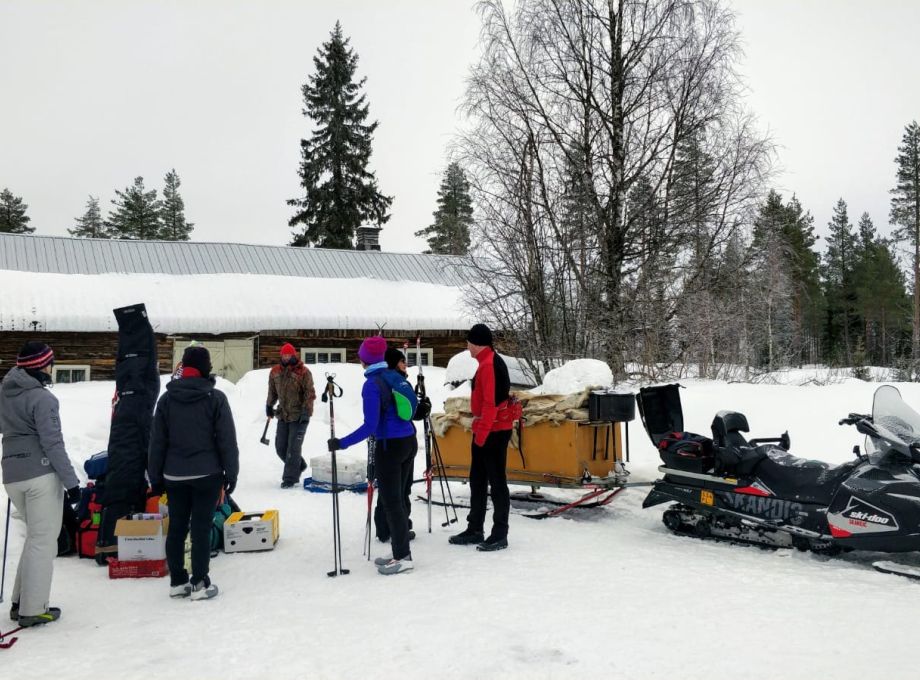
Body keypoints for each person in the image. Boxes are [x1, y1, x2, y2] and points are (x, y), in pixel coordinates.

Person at [148, 345, 239, 601]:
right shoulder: (215, 398)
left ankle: (177, 582)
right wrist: (231, 473)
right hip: (207, 474)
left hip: (174, 476)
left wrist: (155, 477)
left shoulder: (166, 400)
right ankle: (199, 582)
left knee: (177, 526)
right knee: (200, 527)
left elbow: (157, 443)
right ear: (204, 368)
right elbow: (226, 441)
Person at [0, 342, 80, 627]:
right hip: (40, 474)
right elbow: (52, 442)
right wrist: (72, 483)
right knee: (44, 542)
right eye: (50, 363)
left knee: (34, 538)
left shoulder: (5, 391)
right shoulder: (43, 399)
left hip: (12, 475)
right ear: (42, 366)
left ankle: (20, 602)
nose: (51, 368)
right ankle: (33, 609)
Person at [328, 337, 416, 575]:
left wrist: (341, 443)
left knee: (391, 502)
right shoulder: (394, 376)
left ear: (364, 360)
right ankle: (399, 549)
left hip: (389, 446)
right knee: (398, 499)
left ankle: (403, 557)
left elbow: (370, 425)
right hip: (409, 441)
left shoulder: (372, 385)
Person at [449, 324, 514, 552]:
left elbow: (490, 404)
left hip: (494, 431)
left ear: (476, 343)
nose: (467, 346)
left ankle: (499, 534)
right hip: (486, 429)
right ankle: (475, 528)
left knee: (497, 483)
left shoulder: (489, 365)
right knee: (477, 481)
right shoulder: (486, 362)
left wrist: (482, 435)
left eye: (468, 342)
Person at [374, 348, 430, 544]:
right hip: (402, 441)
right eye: (402, 361)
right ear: (393, 362)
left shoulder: (383, 381)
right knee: (400, 490)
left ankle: (386, 528)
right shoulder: (396, 382)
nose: (405, 364)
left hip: (392, 442)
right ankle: (398, 528)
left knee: (390, 490)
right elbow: (406, 413)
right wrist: (423, 408)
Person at [266, 343, 315, 489]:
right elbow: (272, 391)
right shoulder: (275, 372)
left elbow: (309, 393)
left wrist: (306, 411)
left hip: (299, 416)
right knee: (280, 447)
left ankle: (289, 478)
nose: (286, 357)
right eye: (284, 355)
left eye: (289, 355)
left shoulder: (304, 372)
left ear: (294, 355)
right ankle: (298, 464)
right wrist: (269, 406)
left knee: (293, 449)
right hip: (283, 415)